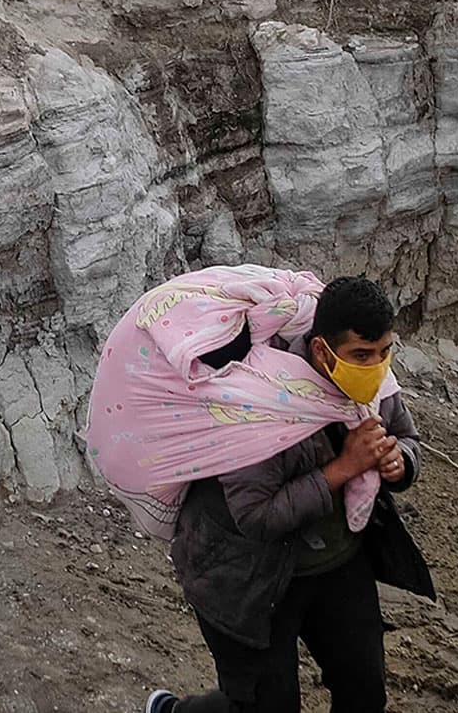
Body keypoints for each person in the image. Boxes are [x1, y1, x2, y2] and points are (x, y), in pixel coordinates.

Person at [144, 277, 433, 713]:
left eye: (384, 352)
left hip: (336, 563)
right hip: (246, 573)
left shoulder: (375, 385)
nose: (376, 366)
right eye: (361, 355)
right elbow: (256, 516)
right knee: (266, 706)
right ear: (322, 350)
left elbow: (406, 437)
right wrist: (345, 467)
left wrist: (399, 462)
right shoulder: (257, 402)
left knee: (364, 692)